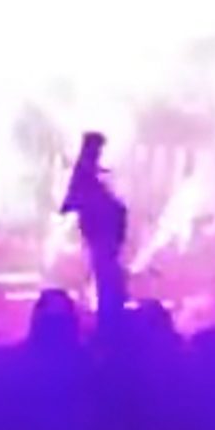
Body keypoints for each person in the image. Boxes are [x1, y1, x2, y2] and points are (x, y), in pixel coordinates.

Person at [60, 133, 127, 335]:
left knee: (110, 282)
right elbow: (70, 203)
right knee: (109, 283)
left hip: (104, 236)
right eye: (97, 150)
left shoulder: (89, 176)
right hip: (101, 236)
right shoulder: (84, 176)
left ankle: (110, 322)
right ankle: (110, 326)